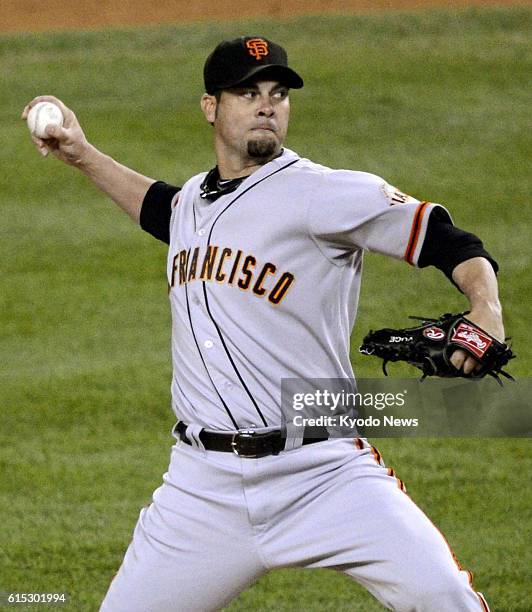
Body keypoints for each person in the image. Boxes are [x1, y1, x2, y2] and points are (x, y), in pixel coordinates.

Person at [22, 36, 501, 612]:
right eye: (247, 93)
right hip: (203, 488)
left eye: (277, 93)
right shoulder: (194, 203)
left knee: (445, 597)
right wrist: (81, 154)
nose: (267, 105)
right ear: (211, 108)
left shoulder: (325, 192)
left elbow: (448, 240)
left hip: (322, 473)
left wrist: (485, 306)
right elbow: (162, 210)